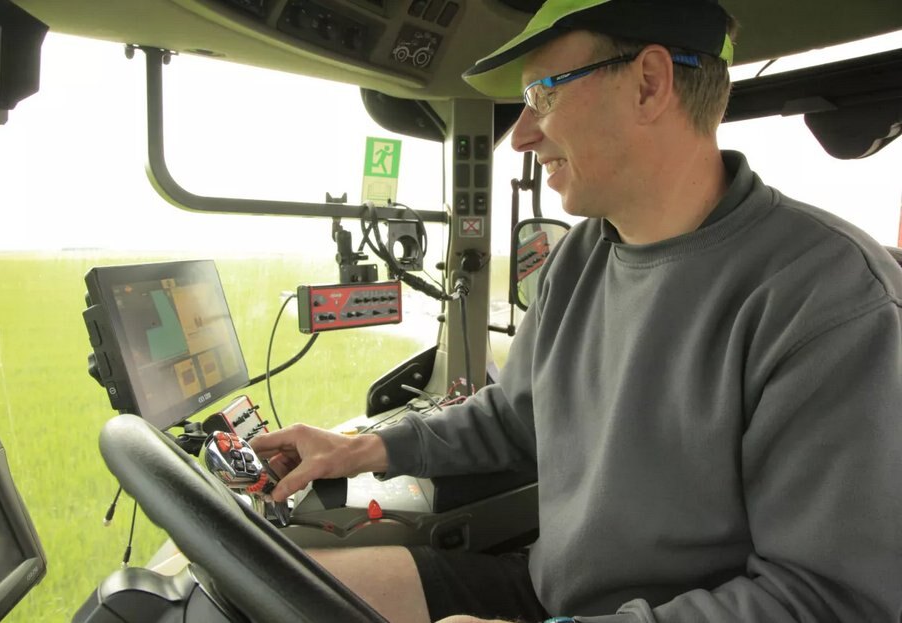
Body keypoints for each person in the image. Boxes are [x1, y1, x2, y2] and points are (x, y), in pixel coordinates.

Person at [251, 0, 902, 620]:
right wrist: (357, 450)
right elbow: (515, 417)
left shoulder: (828, 297)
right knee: (282, 586)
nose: (521, 135)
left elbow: (827, 601)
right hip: (547, 594)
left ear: (648, 84)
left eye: (543, 95)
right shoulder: (580, 256)